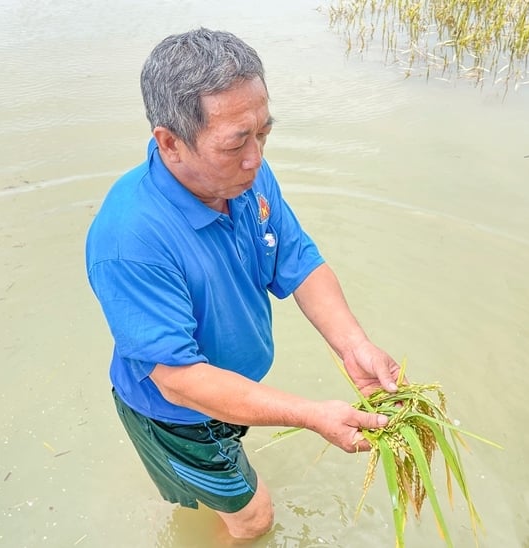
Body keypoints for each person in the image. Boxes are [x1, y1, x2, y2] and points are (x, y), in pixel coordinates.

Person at [85, 28, 401, 540]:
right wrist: (310, 414)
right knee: (254, 519)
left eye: (263, 134)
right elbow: (180, 380)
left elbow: (298, 260)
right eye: (236, 143)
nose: (256, 157)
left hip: (230, 391)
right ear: (170, 143)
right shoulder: (130, 240)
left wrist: (354, 346)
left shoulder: (244, 175)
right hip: (177, 416)